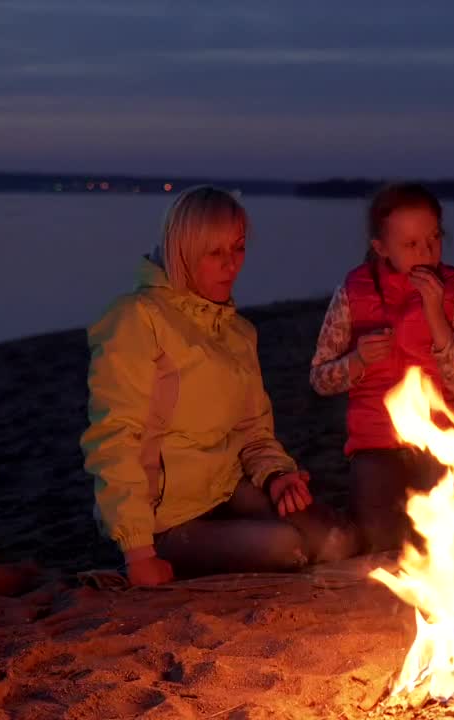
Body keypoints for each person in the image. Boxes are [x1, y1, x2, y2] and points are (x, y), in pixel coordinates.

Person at [81, 185, 358, 587]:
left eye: (239, 248)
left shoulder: (238, 333)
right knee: (286, 547)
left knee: (338, 539)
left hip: (227, 490)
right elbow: (113, 438)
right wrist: (138, 551)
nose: (232, 265)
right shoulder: (138, 319)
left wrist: (277, 474)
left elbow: (254, 430)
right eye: (215, 253)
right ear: (183, 252)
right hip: (166, 519)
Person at [309, 182, 454, 553]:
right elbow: (320, 378)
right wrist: (358, 361)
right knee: (380, 540)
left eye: (433, 239)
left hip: (444, 438)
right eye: (411, 244)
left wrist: (435, 314)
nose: (426, 252)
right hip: (375, 442)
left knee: (445, 541)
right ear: (381, 248)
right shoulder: (354, 291)